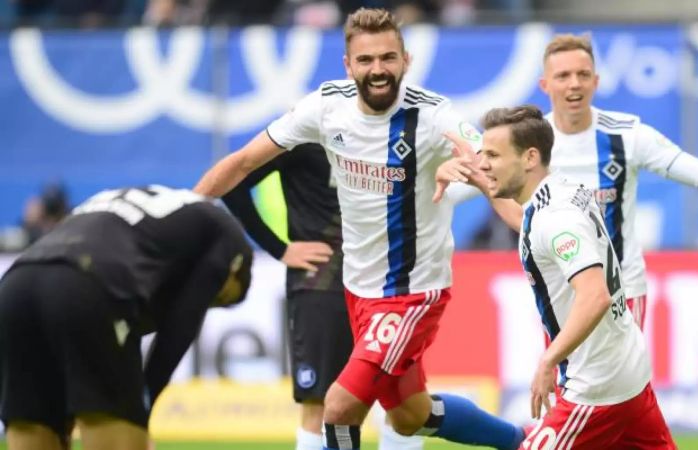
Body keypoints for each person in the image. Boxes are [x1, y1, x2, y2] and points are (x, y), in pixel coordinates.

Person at [194, 7, 524, 450]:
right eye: (365, 61)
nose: (378, 70)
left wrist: (535, 225)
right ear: (348, 65)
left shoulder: (433, 117)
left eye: (388, 58)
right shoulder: (325, 107)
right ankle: (524, 441)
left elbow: (494, 178)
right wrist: (184, 213)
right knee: (411, 416)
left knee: (338, 406)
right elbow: (244, 163)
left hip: (411, 293)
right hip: (358, 289)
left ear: (406, 60)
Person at [440, 34, 698, 329]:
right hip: (561, 293)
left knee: (603, 394)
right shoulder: (527, 144)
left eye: (582, 74)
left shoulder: (626, 135)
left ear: (596, 81)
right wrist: (428, 190)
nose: (573, 83)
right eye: (563, 76)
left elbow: (694, 170)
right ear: (545, 85)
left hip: (623, 292)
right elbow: (468, 184)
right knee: (590, 395)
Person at [474, 104, 677, 449]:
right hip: (627, 368)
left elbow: (594, 295)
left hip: (597, 385)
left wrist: (548, 360)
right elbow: (529, 226)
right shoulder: (561, 192)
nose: (483, 163)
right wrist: (479, 179)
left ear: (529, 158)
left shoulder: (556, 218)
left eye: (493, 155)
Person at [0, 185, 253, 450]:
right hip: (87, 283)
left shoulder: (139, 215)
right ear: (236, 270)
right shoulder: (229, 238)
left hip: (15, 285)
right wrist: (139, 413)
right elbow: (177, 331)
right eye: (218, 300)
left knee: (33, 423)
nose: (208, 303)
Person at [222, 144, 425, 450]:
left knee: (405, 403)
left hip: (388, 286)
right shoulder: (302, 133)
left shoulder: (394, 133)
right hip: (322, 284)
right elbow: (232, 183)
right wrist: (279, 248)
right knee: (318, 402)